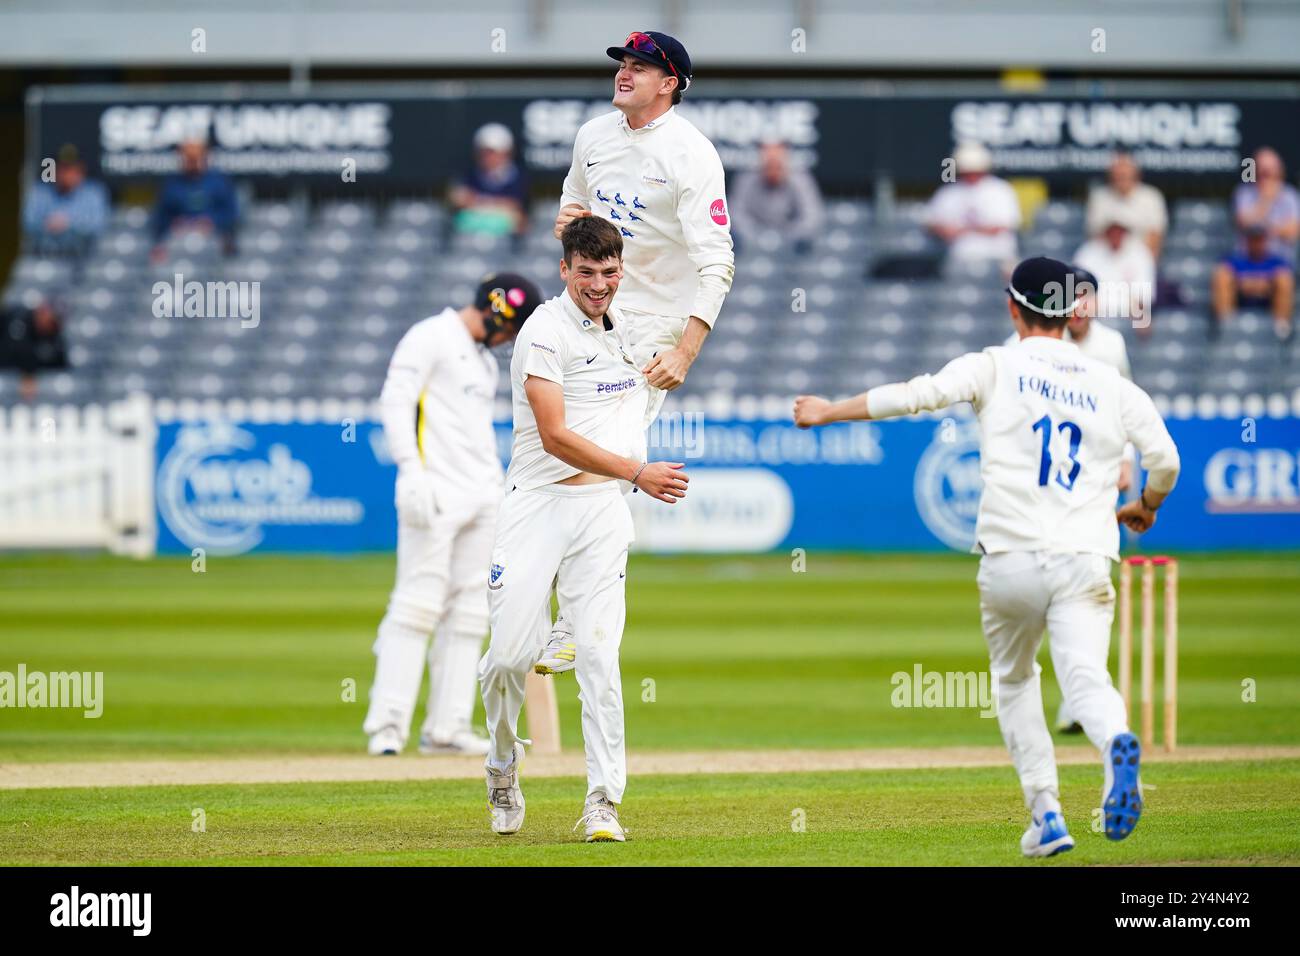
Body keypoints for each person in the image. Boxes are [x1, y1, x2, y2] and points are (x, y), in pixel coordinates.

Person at [794, 256, 1181, 858]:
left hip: (1011, 558)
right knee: (1085, 679)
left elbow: (915, 395)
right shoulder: (1112, 381)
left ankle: (1047, 813)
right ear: (1070, 316)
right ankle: (1115, 744)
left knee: (1015, 680)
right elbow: (1168, 461)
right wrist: (1147, 505)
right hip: (1085, 554)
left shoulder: (994, 365)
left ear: (1013, 308)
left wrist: (826, 411)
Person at [478, 217, 688, 842]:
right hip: (537, 505)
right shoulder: (543, 332)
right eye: (587, 272)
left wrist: (679, 355)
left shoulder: (629, 329)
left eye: (609, 273)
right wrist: (637, 471)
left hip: (601, 514)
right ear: (565, 269)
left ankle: (603, 801)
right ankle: (501, 764)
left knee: (599, 656)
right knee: (509, 657)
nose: (599, 285)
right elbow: (554, 436)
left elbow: (687, 324)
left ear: (621, 271)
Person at [541, 29, 733, 673]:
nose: (625, 71)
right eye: (623, 62)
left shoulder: (691, 153)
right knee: (560, 447)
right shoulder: (593, 135)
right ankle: (545, 583)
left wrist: (686, 350)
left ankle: (575, 618)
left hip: (653, 326)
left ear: (670, 81)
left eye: (641, 66)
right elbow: (573, 202)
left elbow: (718, 263)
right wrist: (570, 233)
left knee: (610, 455)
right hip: (590, 306)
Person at [363, 272, 544, 756]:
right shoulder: (430, 336)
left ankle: (447, 727)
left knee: (467, 613)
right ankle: (388, 724)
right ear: (497, 312)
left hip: (481, 493)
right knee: (416, 605)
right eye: (511, 328)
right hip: (435, 491)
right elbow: (396, 400)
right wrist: (410, 470)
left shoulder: (482, 362)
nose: (508, 340)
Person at [1003, 266, 1135, 736]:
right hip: (1038, 497)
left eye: (1085, 299)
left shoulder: (1110, 347)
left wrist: (1126, 460)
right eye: (1069, 299)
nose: (1078, 308)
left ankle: (1079, 701)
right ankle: (1084, 702)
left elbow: (1127, 408)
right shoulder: (1021, 348)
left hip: (1092, 489)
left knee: (1085, 597)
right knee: (1047, 602)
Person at [926, 141, 1021, 273]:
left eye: (976, 171)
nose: (971, 176)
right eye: (967, 171)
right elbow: (931, 223)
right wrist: (942, 229)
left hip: (999, 256)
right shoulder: (948, 192)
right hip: (960, 258)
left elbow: (1002, 226)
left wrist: (961, 230)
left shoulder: (1000, 190)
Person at [729, 140, 825, 255]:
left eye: (777, 165)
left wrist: (788, 236)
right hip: (752, 241)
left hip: (792, 244)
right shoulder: (746, 178)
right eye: (769, 165)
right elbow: (735, 213)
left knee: (806, 243)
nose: (773, 170)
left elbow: (812, 215)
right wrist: (757, 237)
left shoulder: (800, 179)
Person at [150, 139, 239, 262]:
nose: (193, 163)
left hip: (214, 237)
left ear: (205, 157)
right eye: (189, 159)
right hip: (178, 239)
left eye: (196, 158)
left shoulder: (219, 181)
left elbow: (231, 213)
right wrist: (174, 223)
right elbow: (161, 216)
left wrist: (212, 221)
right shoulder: (172, 183)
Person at [22, 144, 109, 257]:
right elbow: (27, 222)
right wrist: (46, 224)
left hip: (85, 257)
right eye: (63, 168)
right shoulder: (40, 191)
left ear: (81, 170)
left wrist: (70, 224)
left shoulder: (94, 192)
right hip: (44, 253)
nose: (67, 174)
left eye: (72, 169)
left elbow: (100, 226)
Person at [1212, 224, 1295, 340]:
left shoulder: (1277, 261)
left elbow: (1283, 280)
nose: (1257, 244)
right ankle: (1225, 323)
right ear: (1247, 241)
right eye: (1253, 240)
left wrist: (1251, 284)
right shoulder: (1236, 260)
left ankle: (1281, 326)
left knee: (1284, 279)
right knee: (1222, 275)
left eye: (1260, 240)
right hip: (1239, 300)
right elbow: (1226, 277)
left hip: (1268, 302)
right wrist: (1256, 285)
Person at [1074, 214, 1155, 331]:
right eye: (1112, 230)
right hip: (1094, 316)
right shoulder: (1088, 252)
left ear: (1126, 232)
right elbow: (1079, 291)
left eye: (1120, 230)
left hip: (1129, 318)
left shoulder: (1140, 253)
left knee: (1143, 322)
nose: (1116, 234)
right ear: (1105, 231)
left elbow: (1143, 299)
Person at [449, 123, 529, 241]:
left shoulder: (518, 177)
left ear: (506, 152)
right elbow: (458, 200)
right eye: (484, 152)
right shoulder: (469, 175)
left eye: (492, 152)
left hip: (507, 236)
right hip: (471, 233)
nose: (488, 157)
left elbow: (517, 211)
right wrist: (498, 207)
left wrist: (477, 203)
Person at [1085, 153, 1169, 262]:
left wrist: (1144, 264)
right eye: (1117, 176)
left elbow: (1155, 237)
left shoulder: (1151, 196)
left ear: (1136, 176)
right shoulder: (1099, 197)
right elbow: (1095, 237)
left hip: (1140, 260)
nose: (1121, 180)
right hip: (1107, 260)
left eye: (1125, 176)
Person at [1233, 147, 1300, 267]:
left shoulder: (1291, 195)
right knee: (1222, 275)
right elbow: (1243, 222)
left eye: (1270, 168)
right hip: (1246, 260)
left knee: (1282, 279)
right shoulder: (1244, 192)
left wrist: (1263, 228)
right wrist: (1266, 200)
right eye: (1262, 168)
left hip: (1280, 260)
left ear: (1279, 170)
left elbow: (1293, 231)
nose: (1266, 172)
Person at [0, 296, 69, 402]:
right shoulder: (17, 318)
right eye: (49, 316)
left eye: (54, 321)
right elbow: (13, 349)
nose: (50, 322)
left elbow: (60, 365)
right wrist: (28, 373)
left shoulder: (55, 339)